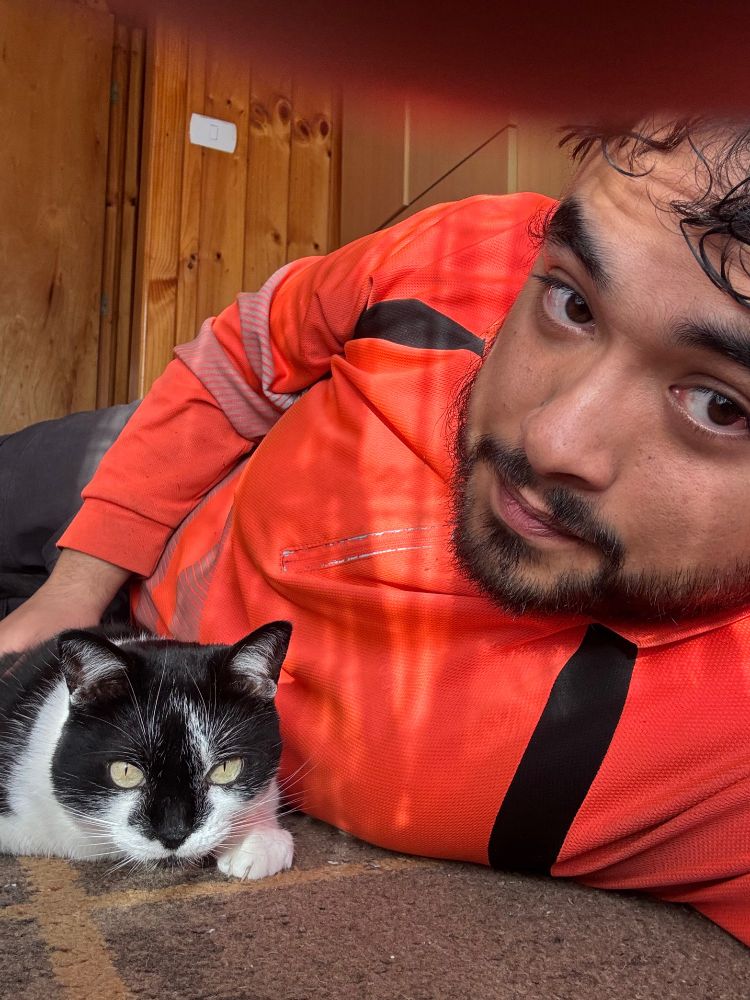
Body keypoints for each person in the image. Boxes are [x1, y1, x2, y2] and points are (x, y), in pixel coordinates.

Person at [2, 118, 750, 946]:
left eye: (721, 406)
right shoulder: (463, 246)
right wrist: (75, 585)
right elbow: (243, 355)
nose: (549, 441)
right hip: (165, 483)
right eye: (571, 304)